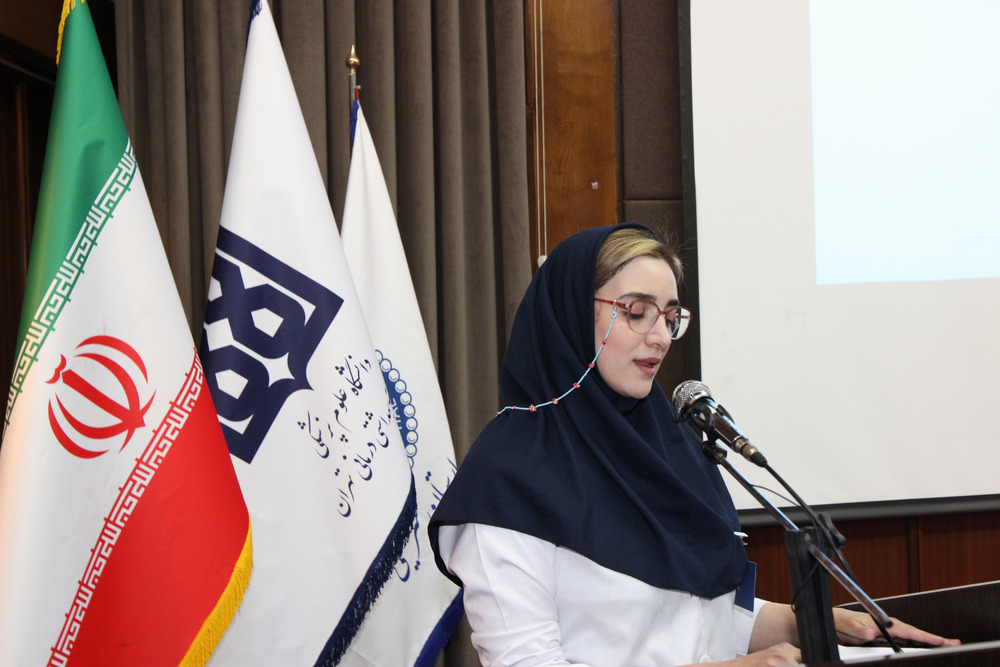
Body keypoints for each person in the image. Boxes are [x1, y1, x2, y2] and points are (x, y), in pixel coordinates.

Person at [428, 223, 958, 666]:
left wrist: (807, 624)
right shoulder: (508, 480)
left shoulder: (668, 443)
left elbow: (696, 620)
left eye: (670, 316)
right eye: (636, 311)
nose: (660, 336)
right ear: (569, 314)